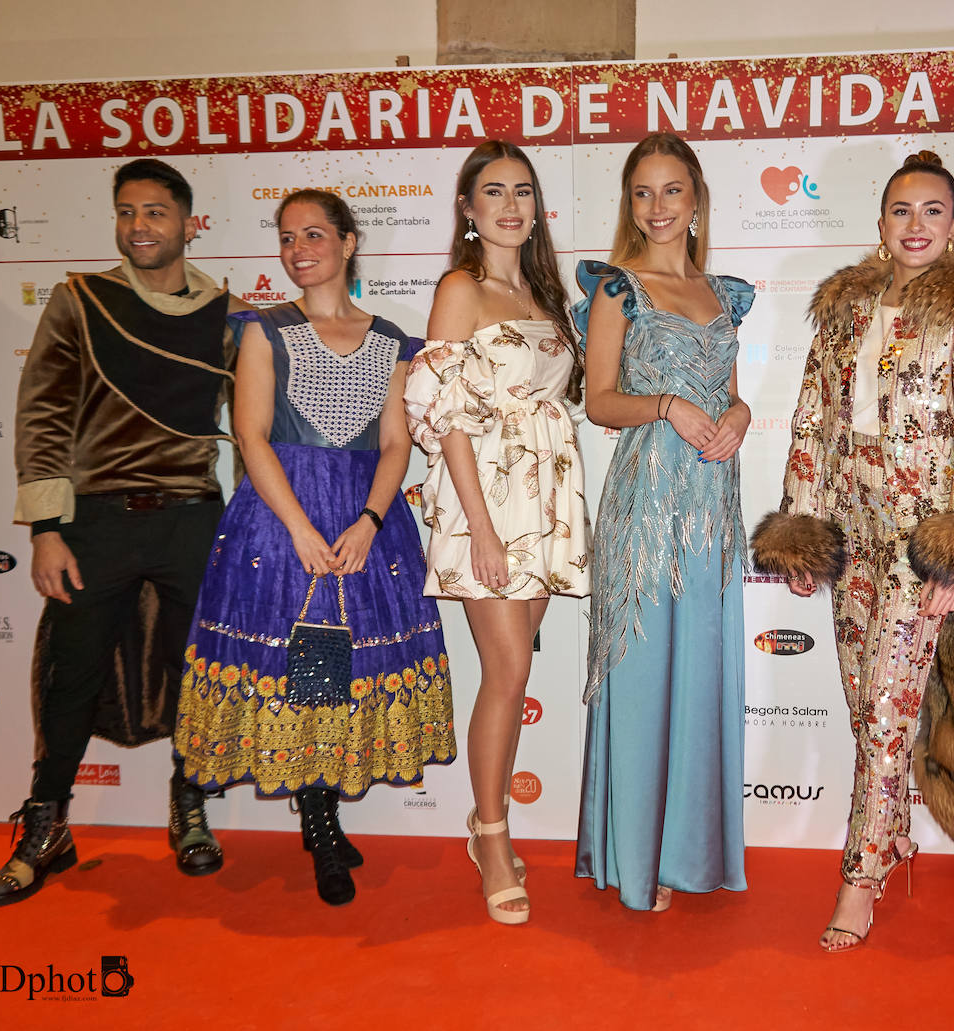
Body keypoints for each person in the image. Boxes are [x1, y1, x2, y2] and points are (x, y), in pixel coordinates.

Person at [753, 151, 954, 951]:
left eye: (932, 211)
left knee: (887, 709)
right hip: (853, 536)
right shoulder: (843, 309)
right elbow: (810, 421)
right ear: (880, 223)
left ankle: (860, 876)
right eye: (902, 210)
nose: (915, 225)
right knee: (865, 702)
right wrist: (803, 528)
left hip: (919, 544)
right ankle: (895, 832)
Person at [173, 190, 455, 906]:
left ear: (349, 242)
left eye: (315, 234)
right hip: (281, 522)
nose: (299, 249)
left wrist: (367, 520)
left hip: (366, 527)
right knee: (300, 661)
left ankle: (322, 810)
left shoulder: (393, 340)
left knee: (338, 664)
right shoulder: (264, 332)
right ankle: (319, 819)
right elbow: (252, 435)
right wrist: (300, 527)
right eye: (287, 236)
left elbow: (397, 443)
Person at [0, 158, 248, 907]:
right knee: (72, 673)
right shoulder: (78, 300)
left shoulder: (228, 317)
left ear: (188, 223)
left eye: (156, 213)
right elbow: (42, 414)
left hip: (193, 516)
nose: (140, 227)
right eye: (127, 213)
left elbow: (255, 423)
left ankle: (189, 806)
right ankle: (47, 824)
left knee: (196, 672)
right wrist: (45, 526)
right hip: (94, 519)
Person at [404, 141, 589, 925]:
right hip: (486, 498)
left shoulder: (548, 297)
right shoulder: (460, 288)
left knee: (512, 676)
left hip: (544, 501)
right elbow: (440, 413)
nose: (510, 205)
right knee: (508, 668)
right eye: (493, 192)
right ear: (468, 210)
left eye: (522, 191)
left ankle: (488, 829)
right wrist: (478, 527)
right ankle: (490, 834)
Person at [573, 132, 753, 913]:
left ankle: (689, 850)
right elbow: (598, 399)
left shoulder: (722, 293)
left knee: (702, 673)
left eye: (671, 190)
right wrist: (668, 407)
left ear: (697, 199)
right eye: (642, 193)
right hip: (648, 500)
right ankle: (635, 856)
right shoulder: (619, 289)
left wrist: (739, 412)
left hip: (712, 500)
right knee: (645, 676)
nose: (657, 207)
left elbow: (733, 389)